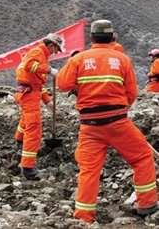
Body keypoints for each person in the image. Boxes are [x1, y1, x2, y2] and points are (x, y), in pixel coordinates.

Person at [57, 19, 158, 223]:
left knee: (89, 170)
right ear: (113, 38)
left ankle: (83, 216)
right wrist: (120, 110)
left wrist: (72, 64)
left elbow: (62, 84)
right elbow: (131, 92)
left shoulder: (79, 60)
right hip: (118, 122)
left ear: (91, 38)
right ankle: (147, 205)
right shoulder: (121, 59)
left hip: (90, 127)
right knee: (142, 158)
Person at [14, 33, 61, 179]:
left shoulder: (41, 55)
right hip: (28, 94)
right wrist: (48, 70)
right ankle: (27, 168)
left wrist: (47, 101)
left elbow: (38, 83)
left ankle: (19, 142)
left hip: (30, 93)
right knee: (34, 128)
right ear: (51, 45)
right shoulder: (38, 52)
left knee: (26, 121)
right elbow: (29, 66)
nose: (55, 53)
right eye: (55, 50)